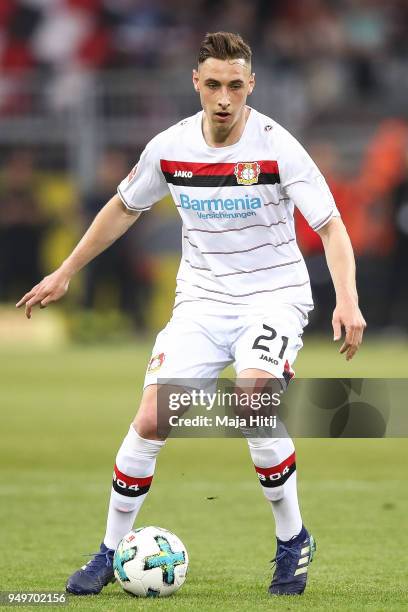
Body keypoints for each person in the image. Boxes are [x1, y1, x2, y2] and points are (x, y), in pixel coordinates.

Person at [16, 32, 366, 597]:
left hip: (272, 295)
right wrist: (66, 271)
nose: (223, 98)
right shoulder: (169, 147)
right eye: (212, 85)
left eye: (234, 85)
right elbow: (124, 207)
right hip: (201, 302)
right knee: (153, 418)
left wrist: (347, 300)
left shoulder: (279, 146)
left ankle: (291, 539)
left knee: (253, 400)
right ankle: (108, 551)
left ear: (250, 85)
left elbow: (330, 227)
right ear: (196, 85)